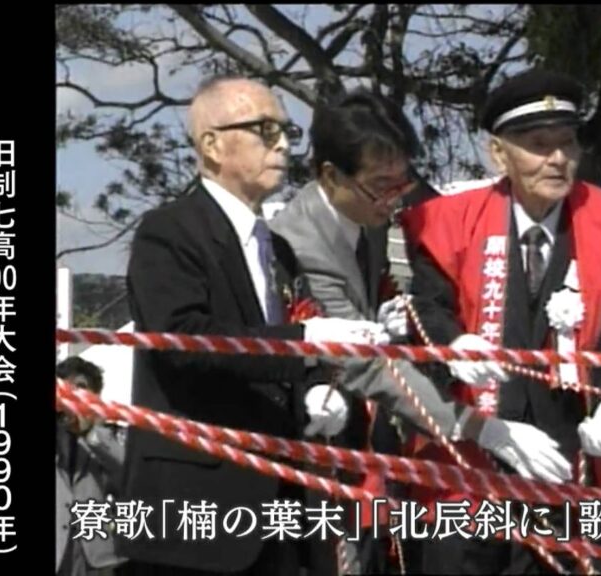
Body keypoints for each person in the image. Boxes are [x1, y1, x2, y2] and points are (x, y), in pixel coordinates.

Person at [270, 88, 572, 573]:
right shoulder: (299, 242)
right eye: (381, 186)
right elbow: (365, 367)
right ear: (331, 175)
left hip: (374, 449)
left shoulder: (366, 216)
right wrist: (482, 428)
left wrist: (434, 337)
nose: (395, 200)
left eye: (402, 182)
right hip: (321, 447)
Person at [118, 76, 386, 575]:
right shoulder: (168, 231)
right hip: (194, 505)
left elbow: (283, 345)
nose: (282, 143)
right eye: (265, 129)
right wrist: (305, 342)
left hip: (279, 505)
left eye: (287, 131)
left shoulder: (277, 249)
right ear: (212, 144)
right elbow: (182, 340)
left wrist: (315, 390)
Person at [401, 67, 601, 573]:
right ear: (499, 154)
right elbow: (426, 311)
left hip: (573, 462)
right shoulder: (446, 224)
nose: (558, 159)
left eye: (568, 142)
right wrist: (455, 347)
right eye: (539, 145)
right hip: (472, 455)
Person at [56, 356, 126, 576]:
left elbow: (129, 477)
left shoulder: (105, 439)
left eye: (81, 389)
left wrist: (89, 432)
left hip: (94, 560)